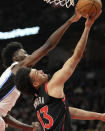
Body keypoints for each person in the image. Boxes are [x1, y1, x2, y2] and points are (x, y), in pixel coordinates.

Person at [15, 13, 105, 131]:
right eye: (37, 73)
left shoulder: (37, 100)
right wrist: (87, 27)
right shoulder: (52, 85)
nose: (41, 70)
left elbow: (66, 110)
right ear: (35, 83)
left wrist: (100, 116)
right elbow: (76, 57)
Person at [0, 13, 80, 131]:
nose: (28, 55)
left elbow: (4, 116)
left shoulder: (14, 78)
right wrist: (69, 21)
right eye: (24, 53)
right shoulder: (17, 67)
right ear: (15, 58)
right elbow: (48, 46)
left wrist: (28, 128)